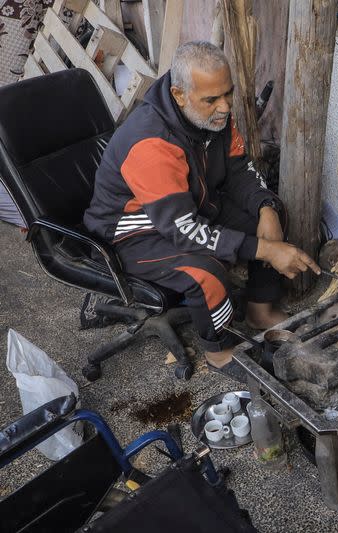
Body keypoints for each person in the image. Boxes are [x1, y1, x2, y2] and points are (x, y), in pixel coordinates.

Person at [84, 41, 320, 382]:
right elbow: (182, 230)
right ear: (179, 95)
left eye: (228, 93)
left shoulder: (212, 113)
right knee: (205, 272)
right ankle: (220, 352)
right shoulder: (151, 143)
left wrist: (267, 210)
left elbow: (239, 169)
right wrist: (267, 250)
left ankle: (260, 309)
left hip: (190, 208)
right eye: (212, 100)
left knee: (270, 212)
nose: (224, 107)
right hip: (135, 233)